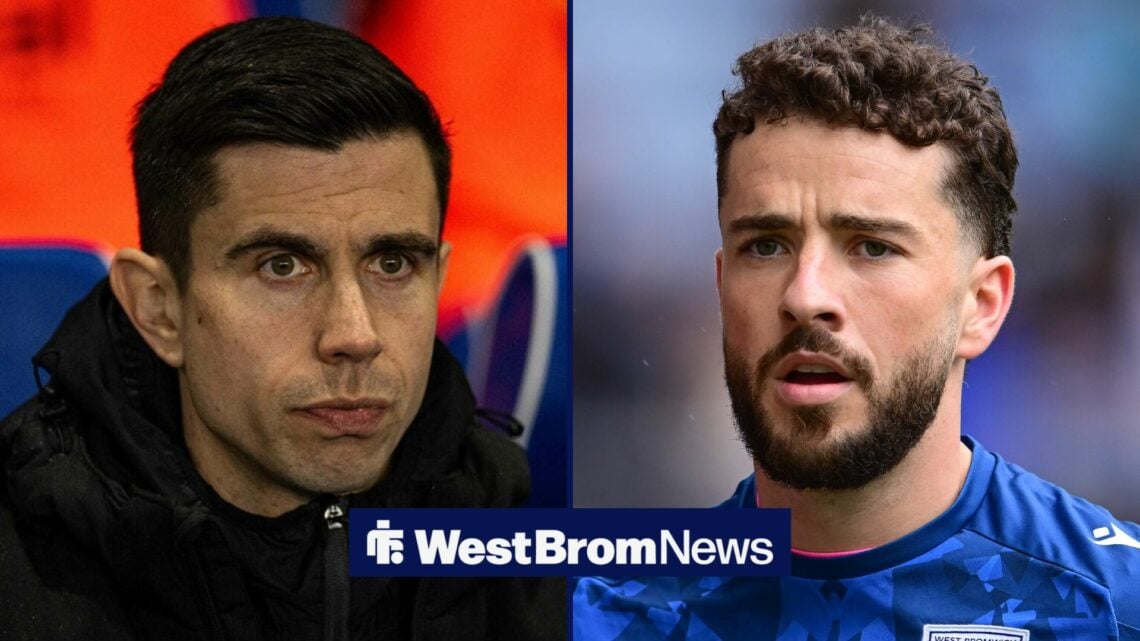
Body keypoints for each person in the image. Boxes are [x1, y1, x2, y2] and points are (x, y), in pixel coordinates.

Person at [573, 15, 1140, 640]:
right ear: (719, 283)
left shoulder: (1111, 605)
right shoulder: (606, 609)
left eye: (872, 247)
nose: (805, 297)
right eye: (765, 246)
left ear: (982, 305)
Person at [0, 17, 562, 641]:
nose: (355, 333)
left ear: (439, 277)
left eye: (393, 263)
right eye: (282, 266)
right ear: (158, 308)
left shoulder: (535, 555)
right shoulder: (25, 575)